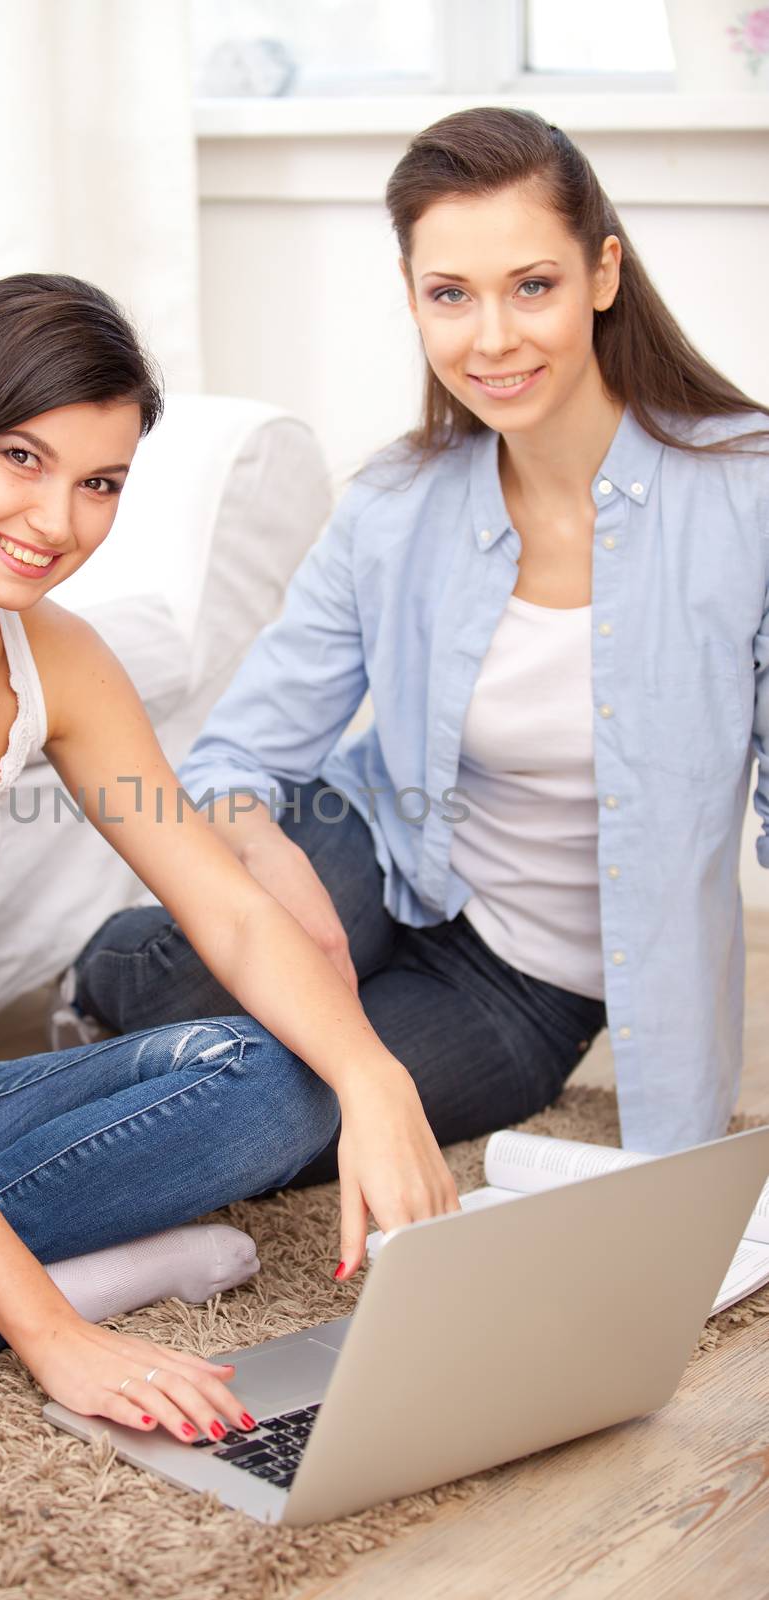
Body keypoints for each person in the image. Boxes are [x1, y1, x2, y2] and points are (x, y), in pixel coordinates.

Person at [0, 274, 461, 1427]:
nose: (57, 522)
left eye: (98, 482)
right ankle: (4, 1285)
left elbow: (232, 912)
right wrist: (55, 1339)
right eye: (21, 457)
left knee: (279, 1076)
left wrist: (374, 1076)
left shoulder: (60, 660)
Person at [65, 107, 769, 1177]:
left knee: (272, 1113)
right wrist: (262, 857)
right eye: (450, 295)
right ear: (411, 298)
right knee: (190, 980)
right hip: (370, 845)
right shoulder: (392, 504)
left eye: (530, 284)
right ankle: (99, 992)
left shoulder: (744, 492)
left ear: (601, 274)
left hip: (526, 989)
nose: (490, 338)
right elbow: (234, 756)